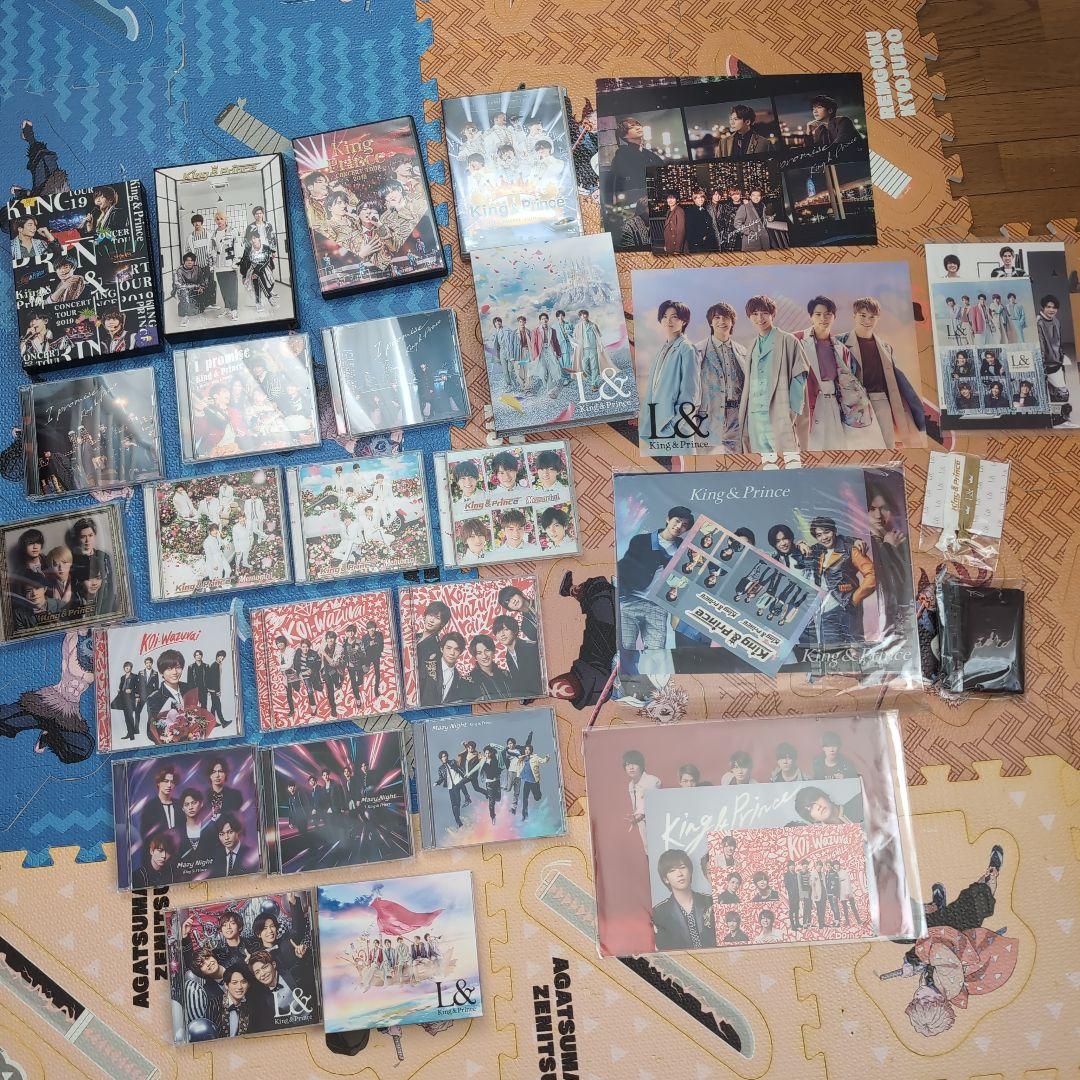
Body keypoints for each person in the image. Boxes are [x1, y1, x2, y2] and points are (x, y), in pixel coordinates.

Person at [894, 846, 1017, 1037]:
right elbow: (939, 951)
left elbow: (928, 960)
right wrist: (913, 960)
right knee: (977, 897)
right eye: (923, 1000)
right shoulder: (949, 983)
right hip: (958, 932)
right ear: (939, 1001)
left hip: (940, 933)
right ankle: (992, 872)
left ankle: (936, 907)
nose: (917, 996)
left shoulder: (931, 987)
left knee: (899, 931)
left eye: (915, 1001)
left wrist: (914, 965)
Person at [797, 295, 884, 451]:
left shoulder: (840, 348)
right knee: (810, 449)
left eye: (828, 314)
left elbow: (850, 379)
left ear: (834, 317)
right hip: (808, 403)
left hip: (833, 402)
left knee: (835, 448)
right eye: (818, 314)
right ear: (811, 316)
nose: (823, 318)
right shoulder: (796, 340)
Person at [836, 296, 926, 447]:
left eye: (872, 317)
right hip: (852, 404)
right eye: (863, 315)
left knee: (886, 446)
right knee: (858, 446)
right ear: (854, 316)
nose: (867, 320)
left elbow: (899, 382)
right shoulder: (840, 342)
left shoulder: (885, 347)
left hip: (881, 402)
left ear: (878, 318)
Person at [617, 505, 694, 672]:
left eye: (684, 525)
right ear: (668, 519)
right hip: (631, 601)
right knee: (625, 648)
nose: (679, 526)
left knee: (656, 653)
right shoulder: (641, 541)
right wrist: (621, 596)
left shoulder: (685, 550)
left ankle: (650, 687)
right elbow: (624, 567)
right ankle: (622, 684)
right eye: (677, 521)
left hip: (658, 606)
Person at [741, 295, 807, 453]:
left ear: (773, 315)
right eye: (755, 314)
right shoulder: (752, 345)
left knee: (787, 459)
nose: (760, 318)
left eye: (764, 313)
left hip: (779, 411)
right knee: (762, 461)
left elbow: (800, 376)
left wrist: (792, 410)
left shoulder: (788, 340)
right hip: (755, 415)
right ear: (749, 317)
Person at [808, 516, 876, 644]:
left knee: (855, 648)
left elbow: (872, 576)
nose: (824, 537)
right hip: (825, 611)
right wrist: (800, 544)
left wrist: (853, 599)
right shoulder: (817, 551)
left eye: (827, 532)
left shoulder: (851, 549)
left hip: (847, 608)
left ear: (834, 531)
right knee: (832, 651)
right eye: (819, 535)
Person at [642, 300, 700, 443]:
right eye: (665, 316)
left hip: (676, 430)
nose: (668, 320)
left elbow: (691, 395)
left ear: (684, 321)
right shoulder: (663, 349)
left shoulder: (687, 349)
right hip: (657, 429)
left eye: (674, 317)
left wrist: (673, 426)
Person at [695, 300, 749, 453]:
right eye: (717, 318)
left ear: (732, 322)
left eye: (726, 318)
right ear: (710, 322)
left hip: (736, 415)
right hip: (708, 414)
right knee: (705, 458)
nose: (721, 321)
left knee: (737, 458)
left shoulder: (742, 351)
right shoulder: (698, 350)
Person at [867, 483, 910, 640]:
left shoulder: (899, 539)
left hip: (902, 619)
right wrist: (889, 547)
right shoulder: (862, 544)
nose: (878, 515)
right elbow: (881, 582)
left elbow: (906, 584)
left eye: (883, 508)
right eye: (872, 509)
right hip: (878, 622)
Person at [651, 849, 716, 950]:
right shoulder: (659, 912)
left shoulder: (711, 902)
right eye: (672, 871)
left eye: (682, 867)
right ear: (666, 879)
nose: (679, 874)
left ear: (690, 871)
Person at [605, 117, 665, 223]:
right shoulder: (622, 156)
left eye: (638, 124)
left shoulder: (648, 153)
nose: (638, 127)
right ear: (624, 135)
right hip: (638, 207)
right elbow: (619, 186)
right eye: (632, 127)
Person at [493, 616, 540, 695]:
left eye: (506, 629)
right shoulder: (508, 656)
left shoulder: (530, 647)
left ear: (515, 630)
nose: (502, 634)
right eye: (498, 632)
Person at [209, 209, 240, 321]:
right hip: (218, 265)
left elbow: (238, 247)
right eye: (217, 219)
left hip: (230, 264)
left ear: (226, 220)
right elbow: (212, 250)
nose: (219, 221)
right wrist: (212, 264)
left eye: (221, 219)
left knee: (232, 289)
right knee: (223, 288)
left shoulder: (233, 231)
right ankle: (228, 309)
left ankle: (234, 310)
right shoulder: (214, 234)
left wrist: (236, 262)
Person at [623, 749, 660, 843]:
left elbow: (650, 805)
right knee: (647, 848)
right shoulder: (631, 785)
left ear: (641, 765)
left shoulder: (651, 781)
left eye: (634, 763)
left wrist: (637, 817)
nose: (631, 767)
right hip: (642, 824)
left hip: (656, 824)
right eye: (627, 764)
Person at [571, 309, 609, 393]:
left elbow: (599, 337)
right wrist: (575, 346)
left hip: (593, 348)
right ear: (580, 317)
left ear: (587, 315)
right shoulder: (578, 327)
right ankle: (591, 380)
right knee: (584, 367)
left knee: (594, 367)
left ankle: (594, 384)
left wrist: (601, 345)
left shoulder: (593, 325)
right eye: (582, 315)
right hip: (583, 349)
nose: (584, 316)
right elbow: (574, 338)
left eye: (585, 314)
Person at [465, 635, 512, 700]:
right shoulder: (467, 680)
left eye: (487, 650)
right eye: (479, 653)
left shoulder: (506, 674)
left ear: (493, 651)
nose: (484, 656)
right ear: (475, 656)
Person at [435, 749, 472, 828]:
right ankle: (458, 821)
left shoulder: (452, 762)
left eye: (445, 756)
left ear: (447, 756)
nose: (444, 758)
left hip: (457, 781)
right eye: (442, 757)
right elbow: (441, 778)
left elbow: (460, 767)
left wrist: (465, 774)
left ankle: (467, 798)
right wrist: (437, 783)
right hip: (451, 786)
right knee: (455, 804)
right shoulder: (441, 768)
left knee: (461, 783)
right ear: (441, 759)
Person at [139, 763, 179, 836]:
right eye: (166, 781)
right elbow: (145, 835)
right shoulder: (150, 807)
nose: (169, 785)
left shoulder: (179, 805)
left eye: (172, 782)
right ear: (158, 783)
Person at [794, 784, 864, 824]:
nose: (818, 806)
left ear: (824, 796)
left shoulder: (860, 800)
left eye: (815, 798)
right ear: (813, 820)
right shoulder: (821, 840)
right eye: (811, 808)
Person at [217, 966, 254, 1038]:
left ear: (248, 985)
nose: (239, 987)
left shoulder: (252, 1006)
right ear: (226, 985)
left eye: (243, 982)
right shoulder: (213, 1005)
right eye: (234, 983)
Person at [516, 743, 549, 820]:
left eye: (528, 749)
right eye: (526, 749)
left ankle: (538, 794)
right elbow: (518, 765)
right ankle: (524, 815)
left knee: (537, 798)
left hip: (534, 781)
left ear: (531, 750)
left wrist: (547, 758)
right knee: (525, 798)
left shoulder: (535, 757)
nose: (527, 751)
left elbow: (543, 761)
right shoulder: (523, 758)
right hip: (527, 781)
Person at [111, 661, 141, 741]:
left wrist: (132, 691)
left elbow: (138, 687)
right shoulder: (122, 677)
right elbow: (120, 687)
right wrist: (120, 690)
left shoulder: (135, 676)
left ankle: (132, 736)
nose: (127, 668)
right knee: (126, 717)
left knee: (129, 716)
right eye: (126, 667)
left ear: (131, 668)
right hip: (123, 698)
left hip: (130, 698)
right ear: (124, 668)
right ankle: (129, 733)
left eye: (129, 667)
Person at [783, 861, 802, 930]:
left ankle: (797, 923)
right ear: (788, 867)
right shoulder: (786, 875)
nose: (792, 867)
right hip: (791, 895)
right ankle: (793, 925)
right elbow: (786, 885)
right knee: (792, 909)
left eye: (793, 865)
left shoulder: (796, 874)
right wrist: (791, 892)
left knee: (797, 909)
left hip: (797, 894)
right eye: (790, 865)